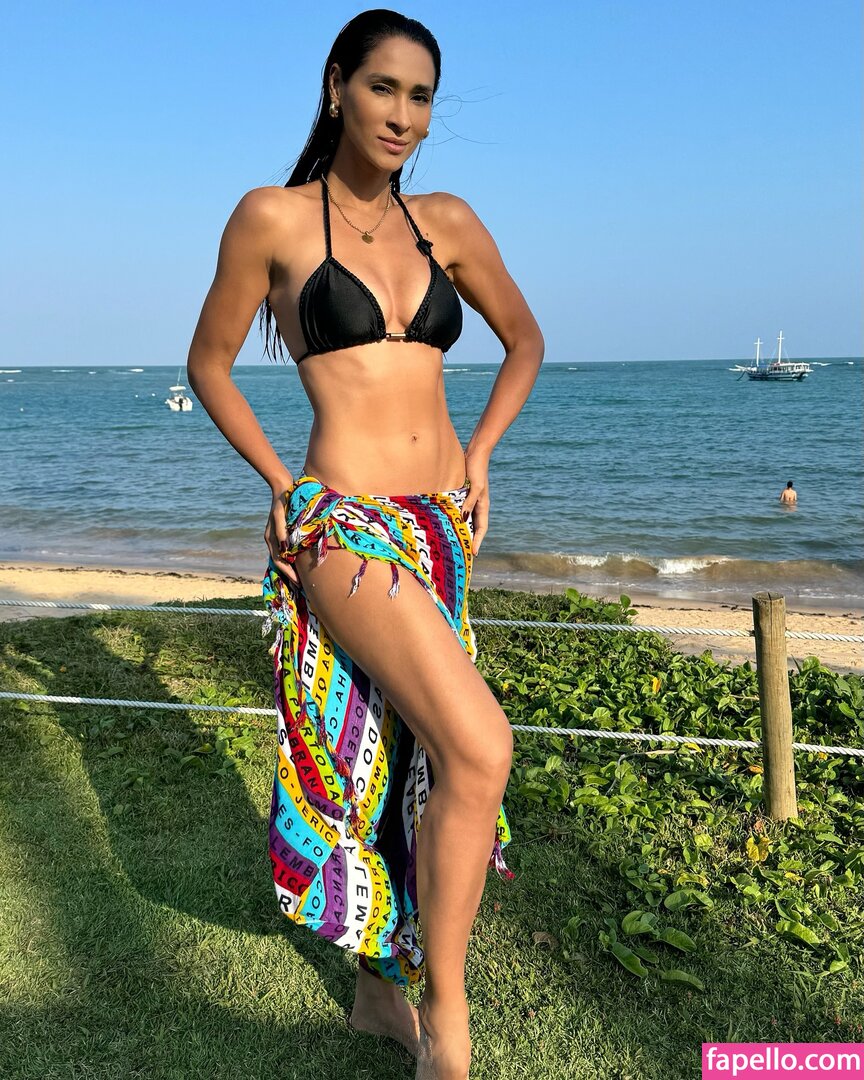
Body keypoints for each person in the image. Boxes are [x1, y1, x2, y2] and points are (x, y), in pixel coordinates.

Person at [187, 10, 544, 1078]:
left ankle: (375, 995)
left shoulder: (447, 222)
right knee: (480, 746)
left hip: (440, 528)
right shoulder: (272, 217)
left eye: (421, 96)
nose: (403, 115)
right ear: (338, 85)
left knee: (404, 757)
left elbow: (525, 340)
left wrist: (482, 452)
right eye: (384, 87)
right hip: (342, 524)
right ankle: (449, 1021)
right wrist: (279, 481)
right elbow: (208, 363)